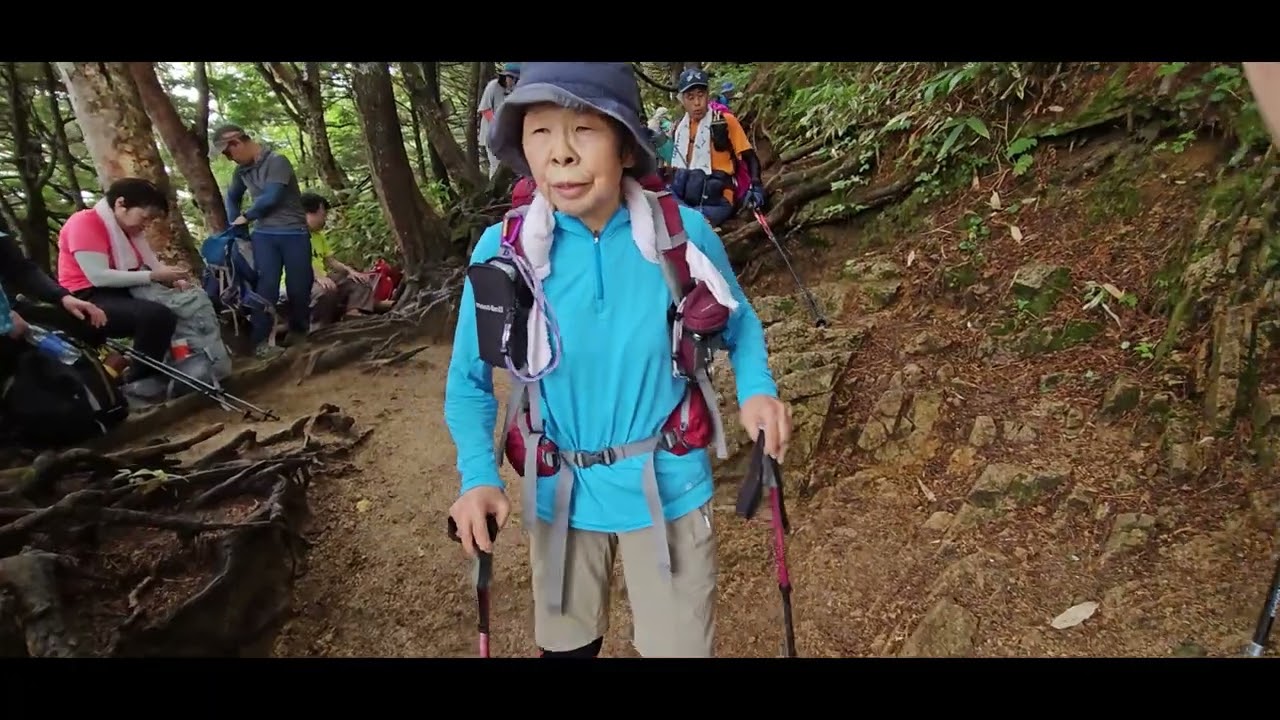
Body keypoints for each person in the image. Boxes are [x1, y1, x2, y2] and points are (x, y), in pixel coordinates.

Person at [444, 62, 791, 658]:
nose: (560, 155)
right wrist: (478, 477)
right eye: (540, 132)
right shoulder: (505, 250)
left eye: (584, 130)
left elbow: (740, 323)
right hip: (560, 490)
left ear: (627, 146)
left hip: (670, 479)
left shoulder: (679, 237)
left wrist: (757, 389)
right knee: (568, 649)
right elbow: (469, 379)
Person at [55, 178, 185, 379]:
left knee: (182, 304)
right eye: (145, 217)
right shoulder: (85, 222)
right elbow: (99, 276)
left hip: (121, 292)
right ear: (121, 204)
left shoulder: (129, 233)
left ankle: (181, 363)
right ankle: (139, 378)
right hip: (87, 298)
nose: (147, 225)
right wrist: (154, 276)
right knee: (155, 316)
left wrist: (171, 279)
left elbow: (149, 265)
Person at [211, 123, 312, 358]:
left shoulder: (278, 162)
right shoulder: (241, 172)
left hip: (293, 232)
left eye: (228, 152)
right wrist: (236, 225)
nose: (229, 158)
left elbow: (272, 197)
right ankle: (261, 342)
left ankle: (299, 333)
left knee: (299, 285)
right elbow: (232, 197)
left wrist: (246, 217)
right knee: (265, 288)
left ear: (237, 143)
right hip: (264, 235)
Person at [667, 68, 766, 228]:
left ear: (708, 95)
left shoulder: (724, 121)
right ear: (682, 100)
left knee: (689, 226)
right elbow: (672, 166)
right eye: (690, 97)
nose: (697, 103)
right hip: (686, 195)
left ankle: (693, 220)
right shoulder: (680, 129)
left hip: (718, 200)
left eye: (701, 95)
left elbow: (750, 157)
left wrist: (756, 185)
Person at [294, 192, 376, 328]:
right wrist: (317, 276)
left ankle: (353, 315)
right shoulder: (292, 235)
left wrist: (351, 272)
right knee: (325, 290)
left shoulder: (318, 236)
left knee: (360, 281)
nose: (324, 220)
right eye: (323, 215)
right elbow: (298, 261)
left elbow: (330, 261)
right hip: (299, 282)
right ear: (309, 213)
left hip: (322, 278)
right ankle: (319, 328)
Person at [478, 63, 521, 179]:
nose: (512, 81)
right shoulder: (493, 87)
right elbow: (485, 109)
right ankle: (493, 190)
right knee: (495, 165)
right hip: (492, 134)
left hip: (508, 135)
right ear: (505, 76)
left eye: (515, 78)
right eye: (510, 77)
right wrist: (498, 124)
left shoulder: (516, 90)